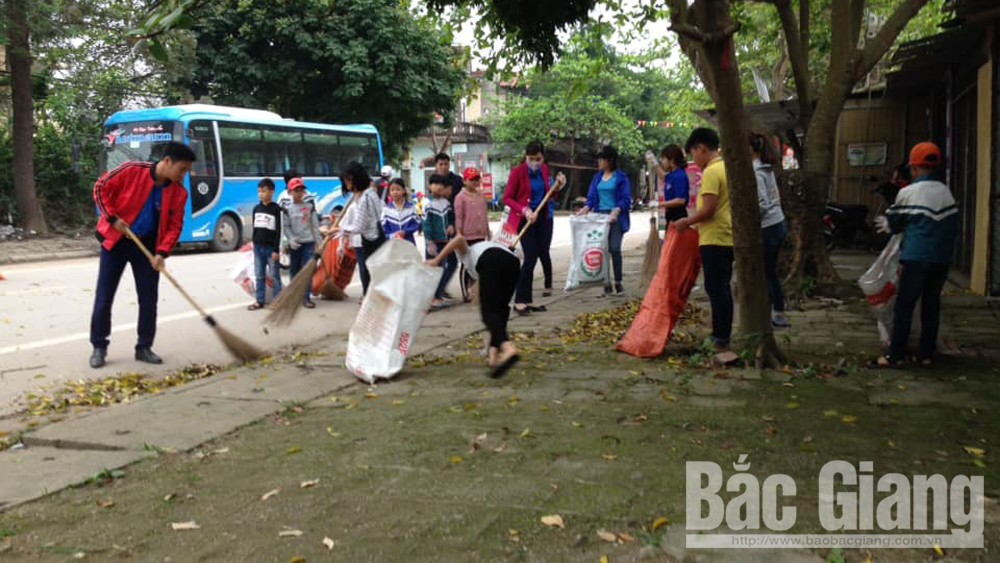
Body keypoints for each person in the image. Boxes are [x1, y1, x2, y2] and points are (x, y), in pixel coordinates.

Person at [88, 141, 196, 368]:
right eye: (182, 170)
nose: (183, 175)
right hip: (117, 241)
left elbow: (175, 226)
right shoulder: (132, 170)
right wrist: (112, 218)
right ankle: (99, 346)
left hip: (147, 247)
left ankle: (144, 347)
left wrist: (162, 252)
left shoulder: (179, 192)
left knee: (149, 300)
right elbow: (100, 188)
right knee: (104, 297)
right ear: (167, 162)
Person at [874, 141, 957, 368]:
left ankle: (895, 355)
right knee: (931, 304)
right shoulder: (946, 193)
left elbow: (895, 224)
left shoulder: (908, 193)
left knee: (905, 306)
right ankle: (925, 354)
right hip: (941, 259)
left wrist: (889, 222)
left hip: (916, 257)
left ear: (913, 168)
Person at [426, 235, 521, 378]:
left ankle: (508, 347)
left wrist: (436, 260)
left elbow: (458, 239)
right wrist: (492, 353)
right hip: (512, 263)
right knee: (500, 311)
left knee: (489, 313)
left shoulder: (468, 253)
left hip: (492, 260)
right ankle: (496, 356)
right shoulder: (481, 257)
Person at [674, 127, 734, 353]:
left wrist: (685, 222)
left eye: (693, 154)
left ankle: (720, 337)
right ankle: (721, 335)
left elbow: (708, 210)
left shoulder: (711, 171)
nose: (693, 160)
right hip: (726, 236)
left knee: (717, 288)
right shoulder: (727, 167)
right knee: (722, 287)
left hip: (715, 238)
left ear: (702, 148)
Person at [503, 141, 566, 314]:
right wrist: (524, 209)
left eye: (538, 159)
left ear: (543, 157)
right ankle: (519, 301)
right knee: (529, 258)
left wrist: (559, 186)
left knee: (538, 255)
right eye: (531, 159)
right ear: (526, 157)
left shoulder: (545, 170)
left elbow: (550, 195)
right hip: (526, 220)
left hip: (542, 219)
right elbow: (507, 198)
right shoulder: (518, 173)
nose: (535, 162)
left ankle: (528, 299)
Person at [577, 145, 632, 296]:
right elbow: (591, 198)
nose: (599, 162)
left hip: (616, 217)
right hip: (600, 217)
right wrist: (585, 209)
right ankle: (606, 282)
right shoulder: (597, 178)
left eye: (602, 159)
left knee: (614, 248)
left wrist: (616, 210)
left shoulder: (621, 178)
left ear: (610, 161)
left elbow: (626, 199)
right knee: (603, 250)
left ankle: (618, 282)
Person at [749, 133, 790, 328]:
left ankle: (779, 312)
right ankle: (777, 308)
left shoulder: (756, 171)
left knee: (768, 272)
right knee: (769, 271)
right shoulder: (766, 168)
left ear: (750, 148)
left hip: (769, 226)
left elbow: (762, 203)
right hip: (778, 222)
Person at [281, 177, 322, 309]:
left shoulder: (309, 207)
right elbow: (285, 227)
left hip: (308, 243)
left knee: (307, 271)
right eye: (295, 190)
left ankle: (306, 297)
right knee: (294, 270)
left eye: (301, 190)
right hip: (295, 244)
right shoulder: (287, 209)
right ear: (289, 192)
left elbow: (315, 226)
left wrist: (320, 244)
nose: (299, 193)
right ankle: (294, 296)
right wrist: (290, 240)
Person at [455, 167, 491, 302]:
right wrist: (459, 234)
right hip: (467, 235)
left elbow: (484, 215)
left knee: (479, 264)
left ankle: (478, 290)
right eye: (472, 179)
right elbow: (459, 217)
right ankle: (466, 291)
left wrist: (487, 231)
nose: (475, 182)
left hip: (480, 234)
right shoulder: (460, 197)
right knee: (467, 264)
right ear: (465, 181)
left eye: (477, 179)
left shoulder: (481, 195)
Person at [248, 178, 283, 311]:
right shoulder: (256, 208)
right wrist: (253, 243)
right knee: (259, 275)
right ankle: (259, 300)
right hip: (258, 247)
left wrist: (276, 250)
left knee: (274, 275)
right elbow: (255, 227)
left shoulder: (276, 209)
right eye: (259, 191)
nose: (261, 194)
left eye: (264, 191)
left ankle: (277, 300)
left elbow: (279, 231)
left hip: (271, 248)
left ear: (272, 192)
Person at [423, 174, 457, 309]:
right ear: (429, 186)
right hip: (434, 242)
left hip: (446, 241)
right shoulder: (427, 204)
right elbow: (426, 224)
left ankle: (440, 292)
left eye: (441, 184)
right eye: (435, 184)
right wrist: (429, 241)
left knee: (452, 263)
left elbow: (450, 218)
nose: (438, 187)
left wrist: (451, 225)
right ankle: (434, 298)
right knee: (435, 270)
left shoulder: (446, 203)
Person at [381, 177, 421, 245]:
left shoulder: (411, 208)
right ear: (389, 192)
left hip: (409, 243)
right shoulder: (386, 210)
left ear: (403, 191)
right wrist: (393, 235)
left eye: (398, 189)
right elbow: (383, 228)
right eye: (392, 190)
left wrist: (405, 232)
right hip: (392, 244)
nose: (395, 192)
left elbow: (417, 223)